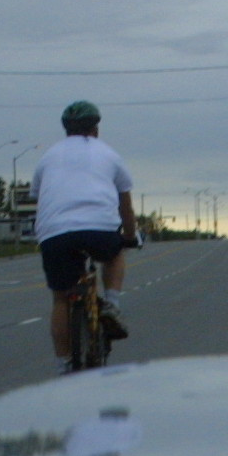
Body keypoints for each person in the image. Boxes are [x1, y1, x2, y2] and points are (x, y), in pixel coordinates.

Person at [32, 100, 138, 373]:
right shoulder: (109, 154)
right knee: (115, 253)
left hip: (55, 233)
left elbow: (38, 197)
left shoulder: (48, 157)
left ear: (66, 129)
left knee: (61, 299)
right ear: (96, 128)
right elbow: (125, 206)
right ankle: (111, 305)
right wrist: (130, 236)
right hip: (100, 228)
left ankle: (63, 365)